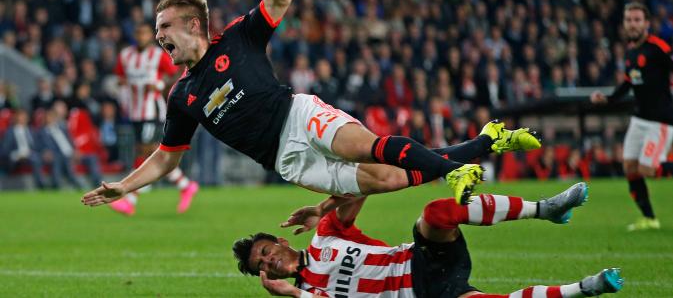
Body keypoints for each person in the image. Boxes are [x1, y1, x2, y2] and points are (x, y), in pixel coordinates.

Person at [81, 0, 540, 210]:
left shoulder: (238, 38)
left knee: (370, 146)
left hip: (299, 116)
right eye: (156, 30)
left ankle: (454, 171)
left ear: (194, 25)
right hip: (286, 161)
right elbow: (167, 155)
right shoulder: (181, 96)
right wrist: (124, 185)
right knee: (387, 177)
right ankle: (485, 142)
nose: (159, 36)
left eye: (165, 27)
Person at [232, 183, 623, 298]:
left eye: (265, 253)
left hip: (420, 258)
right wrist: (292, 294)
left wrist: (325, 207)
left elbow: (364, 185)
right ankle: (585, 289)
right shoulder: (307, 294)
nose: (267, 262)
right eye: (260, 267)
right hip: (429, 295)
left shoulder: (325, 236)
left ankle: (545, 208)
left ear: (281, 241)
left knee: (436, 213)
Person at [591, 2, 673, 231]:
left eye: (637, 20)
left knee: (648, 169)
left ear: (646, 23)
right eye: (629, 20)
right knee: (630, 167)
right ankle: (649, 218)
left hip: (661, 121)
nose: (633, 24)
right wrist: (608, 99)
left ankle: (650, 218)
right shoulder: (630, 51)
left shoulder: (658, 48)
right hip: (639, 120)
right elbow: (629, 82)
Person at [111, 21, 199, 216]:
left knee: (144, 153)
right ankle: (185, 185)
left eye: (144, 33)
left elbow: (175, 73)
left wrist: (160, 85)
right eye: (138, 33)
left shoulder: (157, 56)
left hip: (152, 112)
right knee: (151, 154)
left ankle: (130, 200)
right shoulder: (126, 56)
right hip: (134, 112)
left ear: (149, 36)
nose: (141, 37)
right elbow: (119, 77)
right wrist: (123, 83)